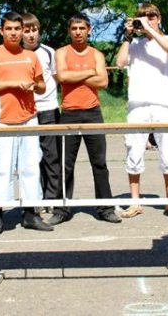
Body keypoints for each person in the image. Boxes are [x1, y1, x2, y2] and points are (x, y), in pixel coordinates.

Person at [0, 11, 53, 236]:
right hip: (2, 121)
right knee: (3, 169)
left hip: (29, 118)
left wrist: (32, 86)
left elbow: (41, 86)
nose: (13, 33)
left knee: (30, 168)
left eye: (17, 29)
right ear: (1, 30)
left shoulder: (31, 56)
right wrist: (11, 84)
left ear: (22, 31)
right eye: (9, 28)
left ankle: (31, 214)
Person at [49, 13, 121, 225]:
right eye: (74, 28)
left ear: (89, 30)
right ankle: (62, 209)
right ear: (69, 31)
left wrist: (78, 74)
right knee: (66, 164)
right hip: (69, 113)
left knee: (99, 163)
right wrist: (90, 73)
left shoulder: (96, 54)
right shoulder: (61, 52)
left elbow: (104, 81)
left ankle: (105, 208)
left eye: (82, 28)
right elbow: (62, 76)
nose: (78, 32)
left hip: (93, 113)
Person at [115, 3, 168, 218]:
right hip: (137, 104)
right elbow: (120, 62)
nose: (146, 19)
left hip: (164, 103)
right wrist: (128, 35)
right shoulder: (134, 44)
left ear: (159, 17)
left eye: (151, 16)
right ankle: (135, 202)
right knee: (133, 151)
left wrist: (150, 29)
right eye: (142, 16)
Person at [21, 13, 61, 204]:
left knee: (51, 157)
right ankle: (33, 200)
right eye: (26, 31)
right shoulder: (17, 54)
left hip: (49, 109)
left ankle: (52, 199)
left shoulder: (49, 52)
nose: (31, 35)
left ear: (39, 31)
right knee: (30, 159)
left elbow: (56, 78)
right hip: (26, 112)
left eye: (34, 30)